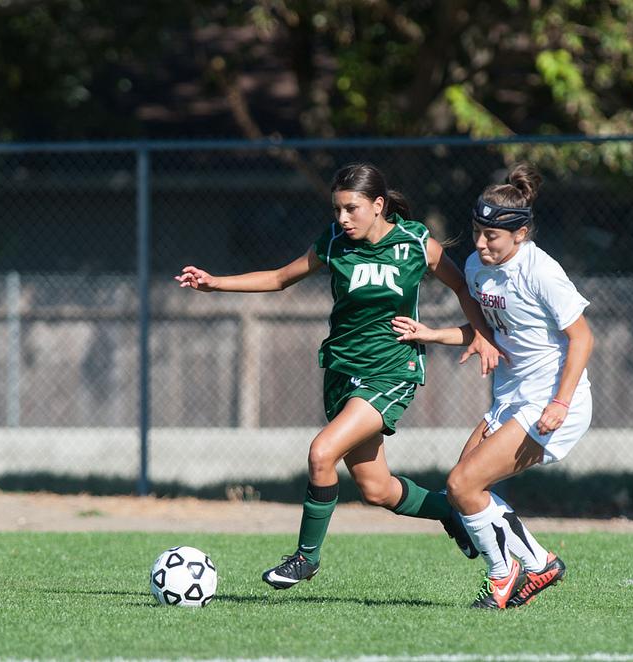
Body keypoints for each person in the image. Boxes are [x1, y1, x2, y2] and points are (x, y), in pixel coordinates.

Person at [175, 162, 500, 590]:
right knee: (377, 489)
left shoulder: (415, 242)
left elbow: (461, 287)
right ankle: (449, 511)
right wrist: (215, 284)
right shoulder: (333, 243)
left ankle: (306, 559)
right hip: (341, 370)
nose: (342, 218)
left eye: (352, 208)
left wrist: (479, 332)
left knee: (321, 452)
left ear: (378, 205)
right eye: (337, 210)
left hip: (391, 370)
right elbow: (277, 278)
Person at [392, 162, 594, 609]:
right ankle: (540, 563)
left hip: (552, 400)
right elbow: (485, 331)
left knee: (464, 485)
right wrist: (433, 334)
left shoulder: (541, 271)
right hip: (513, 397)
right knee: (460, 491)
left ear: (520, 234)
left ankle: (504, 576)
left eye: (492, 237)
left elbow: (582, 337)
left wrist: (560, 402)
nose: (480, 243)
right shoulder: (476, 266)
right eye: (477, 232)